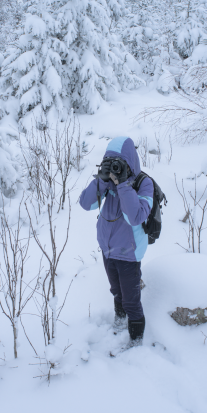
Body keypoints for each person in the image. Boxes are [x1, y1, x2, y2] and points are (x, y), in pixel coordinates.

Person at [78, 136, 154, 345]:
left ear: (130, 162)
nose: (114, 168)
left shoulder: (143, 184)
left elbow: (135, 217)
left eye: (118, 163)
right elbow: (86, 204)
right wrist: (102, 180)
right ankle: (120, 321)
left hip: (129, 253)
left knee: (131, 301)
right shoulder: (107, 183)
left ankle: (136, 340)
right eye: (109, 162)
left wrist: (123, 185)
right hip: (108, 249)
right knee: (116, 291)